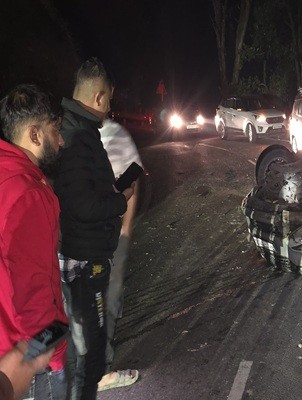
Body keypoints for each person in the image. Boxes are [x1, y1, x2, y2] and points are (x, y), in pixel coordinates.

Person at [52, 58, 135, 400]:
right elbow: (82, 206)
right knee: (90, 350)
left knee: (89, 345)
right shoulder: (76, 137)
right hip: (85, 265)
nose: (110, 108)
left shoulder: (79, 131)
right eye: (109, 100)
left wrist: (112, 189)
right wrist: (120, 201)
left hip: (88, 258)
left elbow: (83, 191)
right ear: (99, 98)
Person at [0, 84, 68, 400]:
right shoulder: (29, 194)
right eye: (55, 131)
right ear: (35, 135)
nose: (61, 140)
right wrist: (55, 356)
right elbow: (33, 286)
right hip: (19, 358)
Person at [96, 118, 141, 391]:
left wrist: (124, 233)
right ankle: (99, 371)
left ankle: (99, 368)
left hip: (105, 239)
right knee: (99, 302)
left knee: (107, 300)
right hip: (86, 242)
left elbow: (131, 182)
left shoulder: (113, 135)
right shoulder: (79, 135)